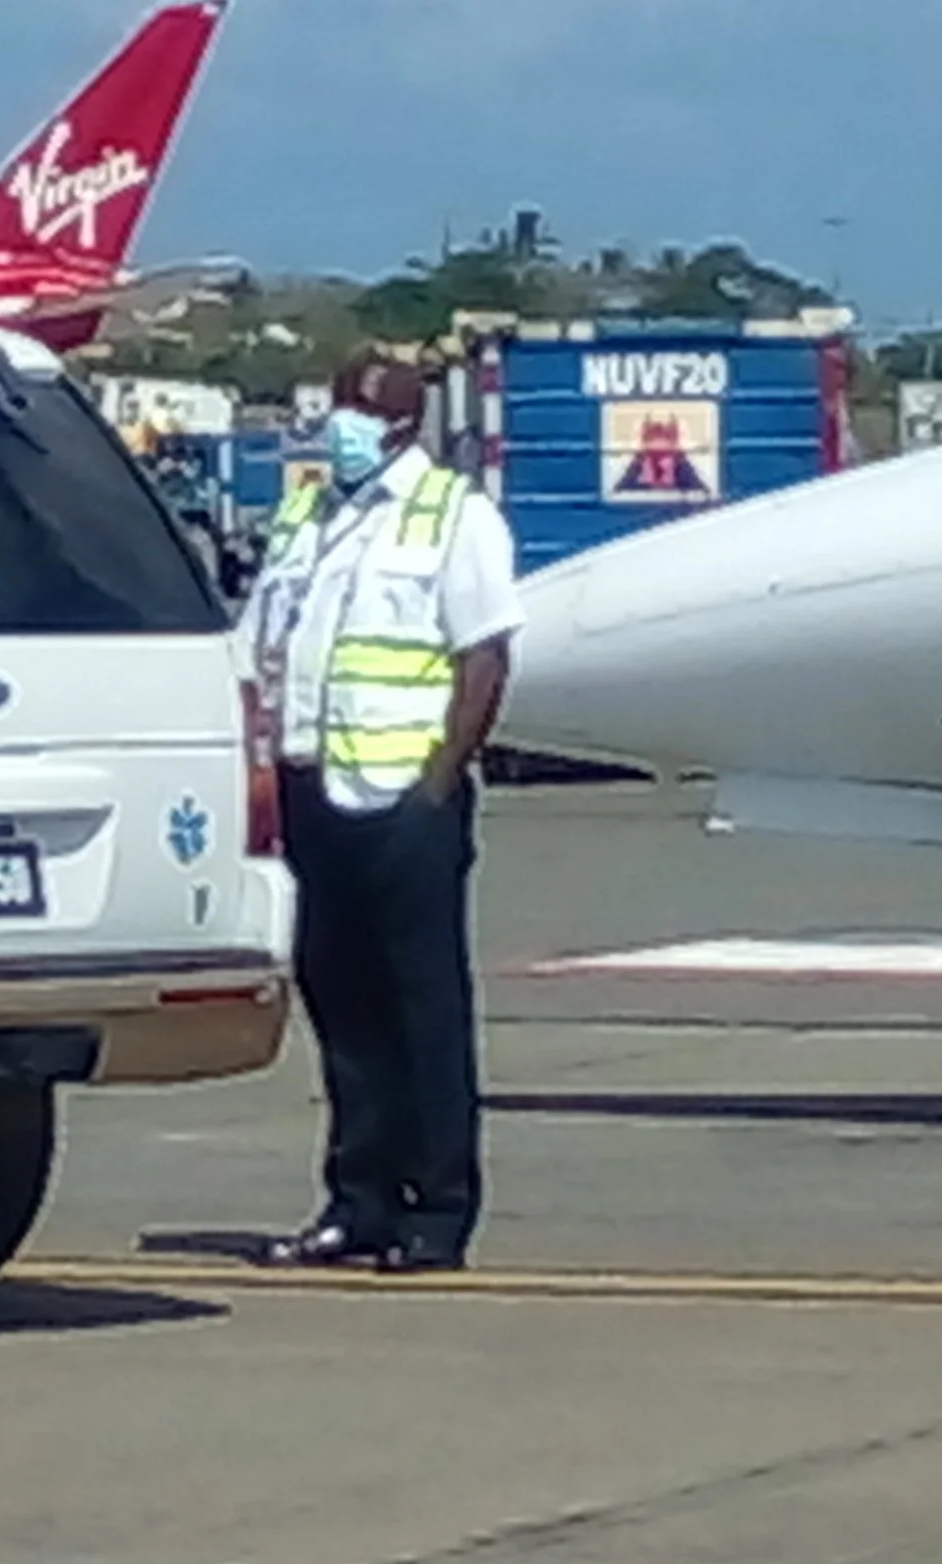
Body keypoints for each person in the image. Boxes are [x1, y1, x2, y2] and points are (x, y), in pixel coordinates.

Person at [241, 350, 524, 1273]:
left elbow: (484, 657)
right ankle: (355, 1200)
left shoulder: (453, 517)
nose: (343, 425)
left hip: (405, 795)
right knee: (342, 1002)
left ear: (403, 424)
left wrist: (441, 777)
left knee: (424, 1009)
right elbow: (261, 647)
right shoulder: (307, 516)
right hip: (313, 786)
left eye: (364, 411)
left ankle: (438, 1210)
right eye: (338, 406)